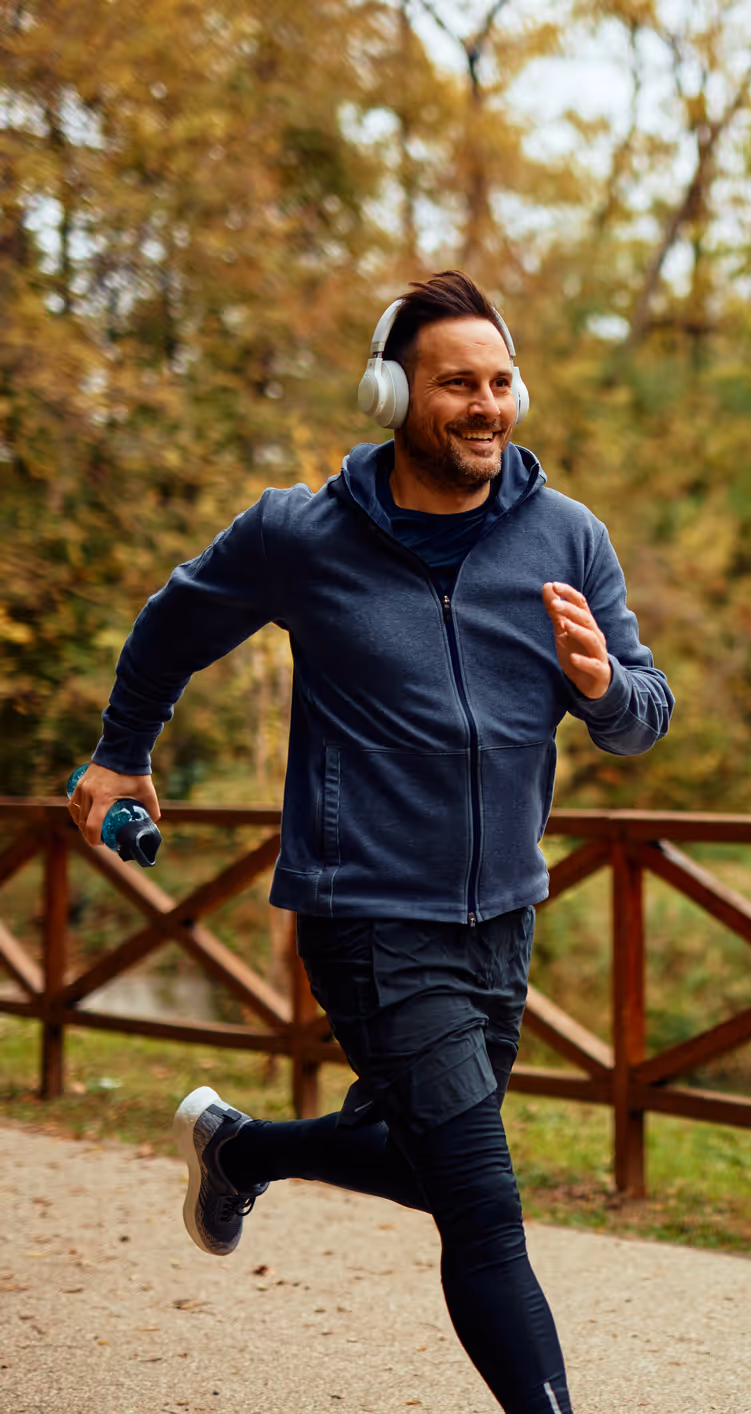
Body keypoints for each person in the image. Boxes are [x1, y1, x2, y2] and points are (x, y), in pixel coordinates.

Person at [67, 270, 674, 1414]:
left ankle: (242, 1150)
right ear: (390, 393)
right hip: (365, 913)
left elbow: (646, 713)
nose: (485, 404)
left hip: (502, 916)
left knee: (421, 1156)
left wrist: (603, 687)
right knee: (485, 1208)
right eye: (456, 383)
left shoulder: (567, 537)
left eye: (499, 382)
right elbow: (171, 625)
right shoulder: (301, 536)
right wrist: (120, 752)